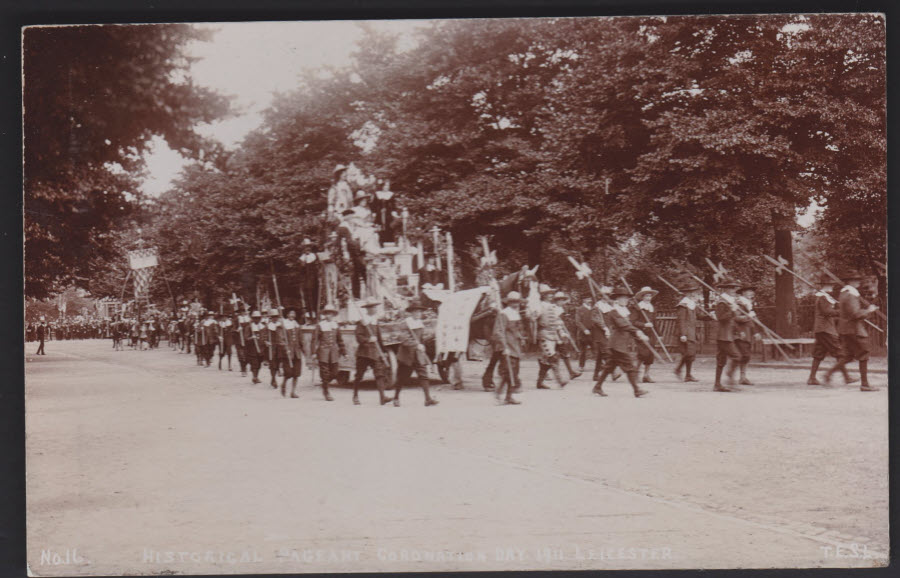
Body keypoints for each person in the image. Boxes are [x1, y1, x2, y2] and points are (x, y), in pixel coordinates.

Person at [591, 285, 650, 398]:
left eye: (627, 298)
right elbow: (623, 325)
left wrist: (638, 335)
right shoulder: (614, 311)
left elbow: (629, 326)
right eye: (622, 298)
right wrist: (637, 331)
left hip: (619, 344)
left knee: (609, 367)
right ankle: (637, 390)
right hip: (617, 344)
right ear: (616, 299)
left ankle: (597, 387)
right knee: (630, 366)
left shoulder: (624, 311)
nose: (625, 300)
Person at [830, 270, 879, 391]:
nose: (858, 282)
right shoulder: (851, 295)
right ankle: (865, 384)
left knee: (848, 356)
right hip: (854, 329)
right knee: (864, 353)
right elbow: (855, 314)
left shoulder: (844, 293)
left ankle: (828, 374)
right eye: (856, 280)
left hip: (845, 329)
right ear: (850, 281)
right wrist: (869, 310)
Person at [393, 299, 439, 407]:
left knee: (423, 376)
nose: (419, 314)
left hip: (418, 355)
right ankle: (396, 397)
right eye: (416, 311)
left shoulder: (420, 324)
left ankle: (428, 399)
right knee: (402, 378)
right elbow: (403, 339)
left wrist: (431, 336)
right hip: (407, 355)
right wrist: (416, 345)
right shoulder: (405, 324)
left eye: (420, 311)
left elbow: (422, 338)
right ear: (412, 312)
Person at [808, 276, 851, 386]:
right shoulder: (822, 297)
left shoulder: (825, 297)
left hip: (822, 329)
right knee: (839, 353)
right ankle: (845, 377)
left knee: (819, 353)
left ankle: (812, 378)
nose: (832, 286)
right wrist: (841, 311)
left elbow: (828, 314)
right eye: (830, 285)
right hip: (825, 330)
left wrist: (838, 314)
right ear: (825, 286)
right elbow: (827, 312)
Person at [352, 299, 390, 406]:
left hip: (375, 352)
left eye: (375, 307)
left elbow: (379, 338)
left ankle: (383, 397)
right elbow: (358, 337)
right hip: (364, 353)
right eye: (373, 307)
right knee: (359, 375)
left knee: (379, 374)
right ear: (368, 309)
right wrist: (368, 340)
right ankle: (355, 396)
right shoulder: (362, 322)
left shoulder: (375, 321)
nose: (375, 309)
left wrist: (383, 351)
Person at [531, 284, 568, 389]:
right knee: (553, 357)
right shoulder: (540, 306)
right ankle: (560, 380)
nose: (551, 295)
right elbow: (533, 318)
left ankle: (539, 383)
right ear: (544, 295)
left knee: (545, 362)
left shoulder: (551, 306)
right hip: (544, 336)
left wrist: (561, 333)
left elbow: (557, 321)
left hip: (552, 336)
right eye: (548, 294)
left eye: (551, 293)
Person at [713, 278, 747, 392]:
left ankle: (717, 384)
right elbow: (721, 318)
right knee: (737, 357)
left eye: (734, 287)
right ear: (725, 289)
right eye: (731, 288)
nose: (734, 290)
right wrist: (732, 310)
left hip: (728, 334)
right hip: (723, 335)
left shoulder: (730, 302)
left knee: (721, 360)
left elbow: (732, 320)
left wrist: (738, 331)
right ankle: (730, 376)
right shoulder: (721, 302)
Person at [491, 291, 524, 405]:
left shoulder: (516, 313)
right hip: (507, 346)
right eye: (513, 301)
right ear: (509, 302)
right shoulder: (503, 314)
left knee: (514, 372)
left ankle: (508, 397)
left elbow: (517, 330)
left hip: (515, 346)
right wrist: (504, 346)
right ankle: (498, 394)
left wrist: (521, 337)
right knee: (507, 372)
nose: (516, 303)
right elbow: (498, 331)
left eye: (517, 301)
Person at [673, 281, 706, 382]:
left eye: (695, 292)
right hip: (685, 333)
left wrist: (711, 317)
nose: (694, 294)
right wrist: (683, 334)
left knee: (691, 354)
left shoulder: (693, 305)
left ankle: (688, 375)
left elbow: (699, 316)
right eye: (692, 292)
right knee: (689, 353)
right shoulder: (682, 305)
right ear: (687, 294)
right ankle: (679, 369)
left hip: (692, 332)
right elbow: (681, 320)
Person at [313, 304, 344, 401]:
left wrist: (344, 352)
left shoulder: (336, 325)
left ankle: (324, 383)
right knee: (325, 372)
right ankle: (326, 392)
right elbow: (314, 340)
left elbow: (340, 340)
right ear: (324, 315)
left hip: (334, 352)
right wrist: (314, 352)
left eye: (330, 314)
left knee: (335, 372)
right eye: (327, 314)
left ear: (333, 315)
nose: (328, 315)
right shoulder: (320, 325)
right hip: (323, 352)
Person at [630, 286, 659, 383]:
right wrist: (644, 324)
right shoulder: (637, 308)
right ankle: (636, 373)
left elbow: (654, 322)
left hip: (651, 334)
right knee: (643, 353)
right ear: (642, 297)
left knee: (650, 355)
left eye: (650, 296)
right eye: (646, 296)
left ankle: (646, 375)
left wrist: (659, 334)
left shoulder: (652, 308)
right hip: (640, 333)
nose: (648, 298)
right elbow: (633, 322)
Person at [552, 291, 582, 379]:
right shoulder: (554, 309)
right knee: (553, 354)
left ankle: (570, 372)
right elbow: (555, 322)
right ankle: (550, 374)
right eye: (559, 300)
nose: (561, 302)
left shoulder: (561, 309)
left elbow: (563, 323)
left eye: (562, 300)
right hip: (555, 333)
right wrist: (561, 331)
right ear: (556, 301)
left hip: (561, 334)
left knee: (563, 352)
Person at [734, 283, 757, 385]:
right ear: (743, 292)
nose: (751, 293)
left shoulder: (748, 304)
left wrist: (755, 332)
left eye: (752, 291)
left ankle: (742, 377)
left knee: (746, 355)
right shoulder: (739, 304)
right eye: (748, 291)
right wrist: (749, 316)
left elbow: (752, 321)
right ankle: (734, 375)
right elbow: (736, 318)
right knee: (744, 355)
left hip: (748, 333)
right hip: (740, 332)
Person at [280, 309, 304, 398]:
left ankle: (293, 392)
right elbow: (281, 339)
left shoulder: (297, 325)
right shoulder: (283, 325)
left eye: (293, 313)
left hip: (296, 352)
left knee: (296, 373)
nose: (292, 315)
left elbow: (300, 339)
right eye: (290, 313)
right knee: (288, 373)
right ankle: (284, 384)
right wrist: (285, 348)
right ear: (287, 314)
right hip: (288, 353)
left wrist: (304, 351)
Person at [298, 239, 320, 322]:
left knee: (316, 296)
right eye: (305, 247)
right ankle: (311, 315)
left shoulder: (315, 256)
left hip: (315, 280)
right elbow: (301, 271)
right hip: (307, 281)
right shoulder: (302, 258)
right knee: (309, 298)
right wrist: (304, 261)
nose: (307, 248)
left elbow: (319, 267)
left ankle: (317, 314)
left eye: (308, 247)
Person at [371, 179, 399, 244]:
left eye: (388, 185)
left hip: (388, 213)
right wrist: (374, 213)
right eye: (385, 185)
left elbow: (393, 205)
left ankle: (389, 242)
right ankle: (381, 242)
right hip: (379, 213)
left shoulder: (391, 194)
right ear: (382, 186)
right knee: (380, 226)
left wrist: (394, 213)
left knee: (389, 226)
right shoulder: (377, 194)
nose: (386, 187)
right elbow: (374, 204)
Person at [244, 310, 266, 384]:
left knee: (259, 363)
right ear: (252, 319)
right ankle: (254, 376)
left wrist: (265, 342)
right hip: (252, 348)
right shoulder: (249, 327)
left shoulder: (263, 327)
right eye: (255, 318)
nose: (257, 320)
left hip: (261, 348)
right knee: (254, 363)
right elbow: (246, 338)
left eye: (258, 318)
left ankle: (256, 376)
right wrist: (251, 337)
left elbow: (265, 336)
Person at [574, 296, 594, 373]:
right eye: (588, 299)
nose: (589, 300)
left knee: (596, 348)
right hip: (582, 333)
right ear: (584, 299)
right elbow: (578, 322)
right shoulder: (579, 309)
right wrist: (584, 329)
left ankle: (601, 364)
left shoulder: (593, 309)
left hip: (593, 333)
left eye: (590, 299)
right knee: (583, 350)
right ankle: (581, 366)